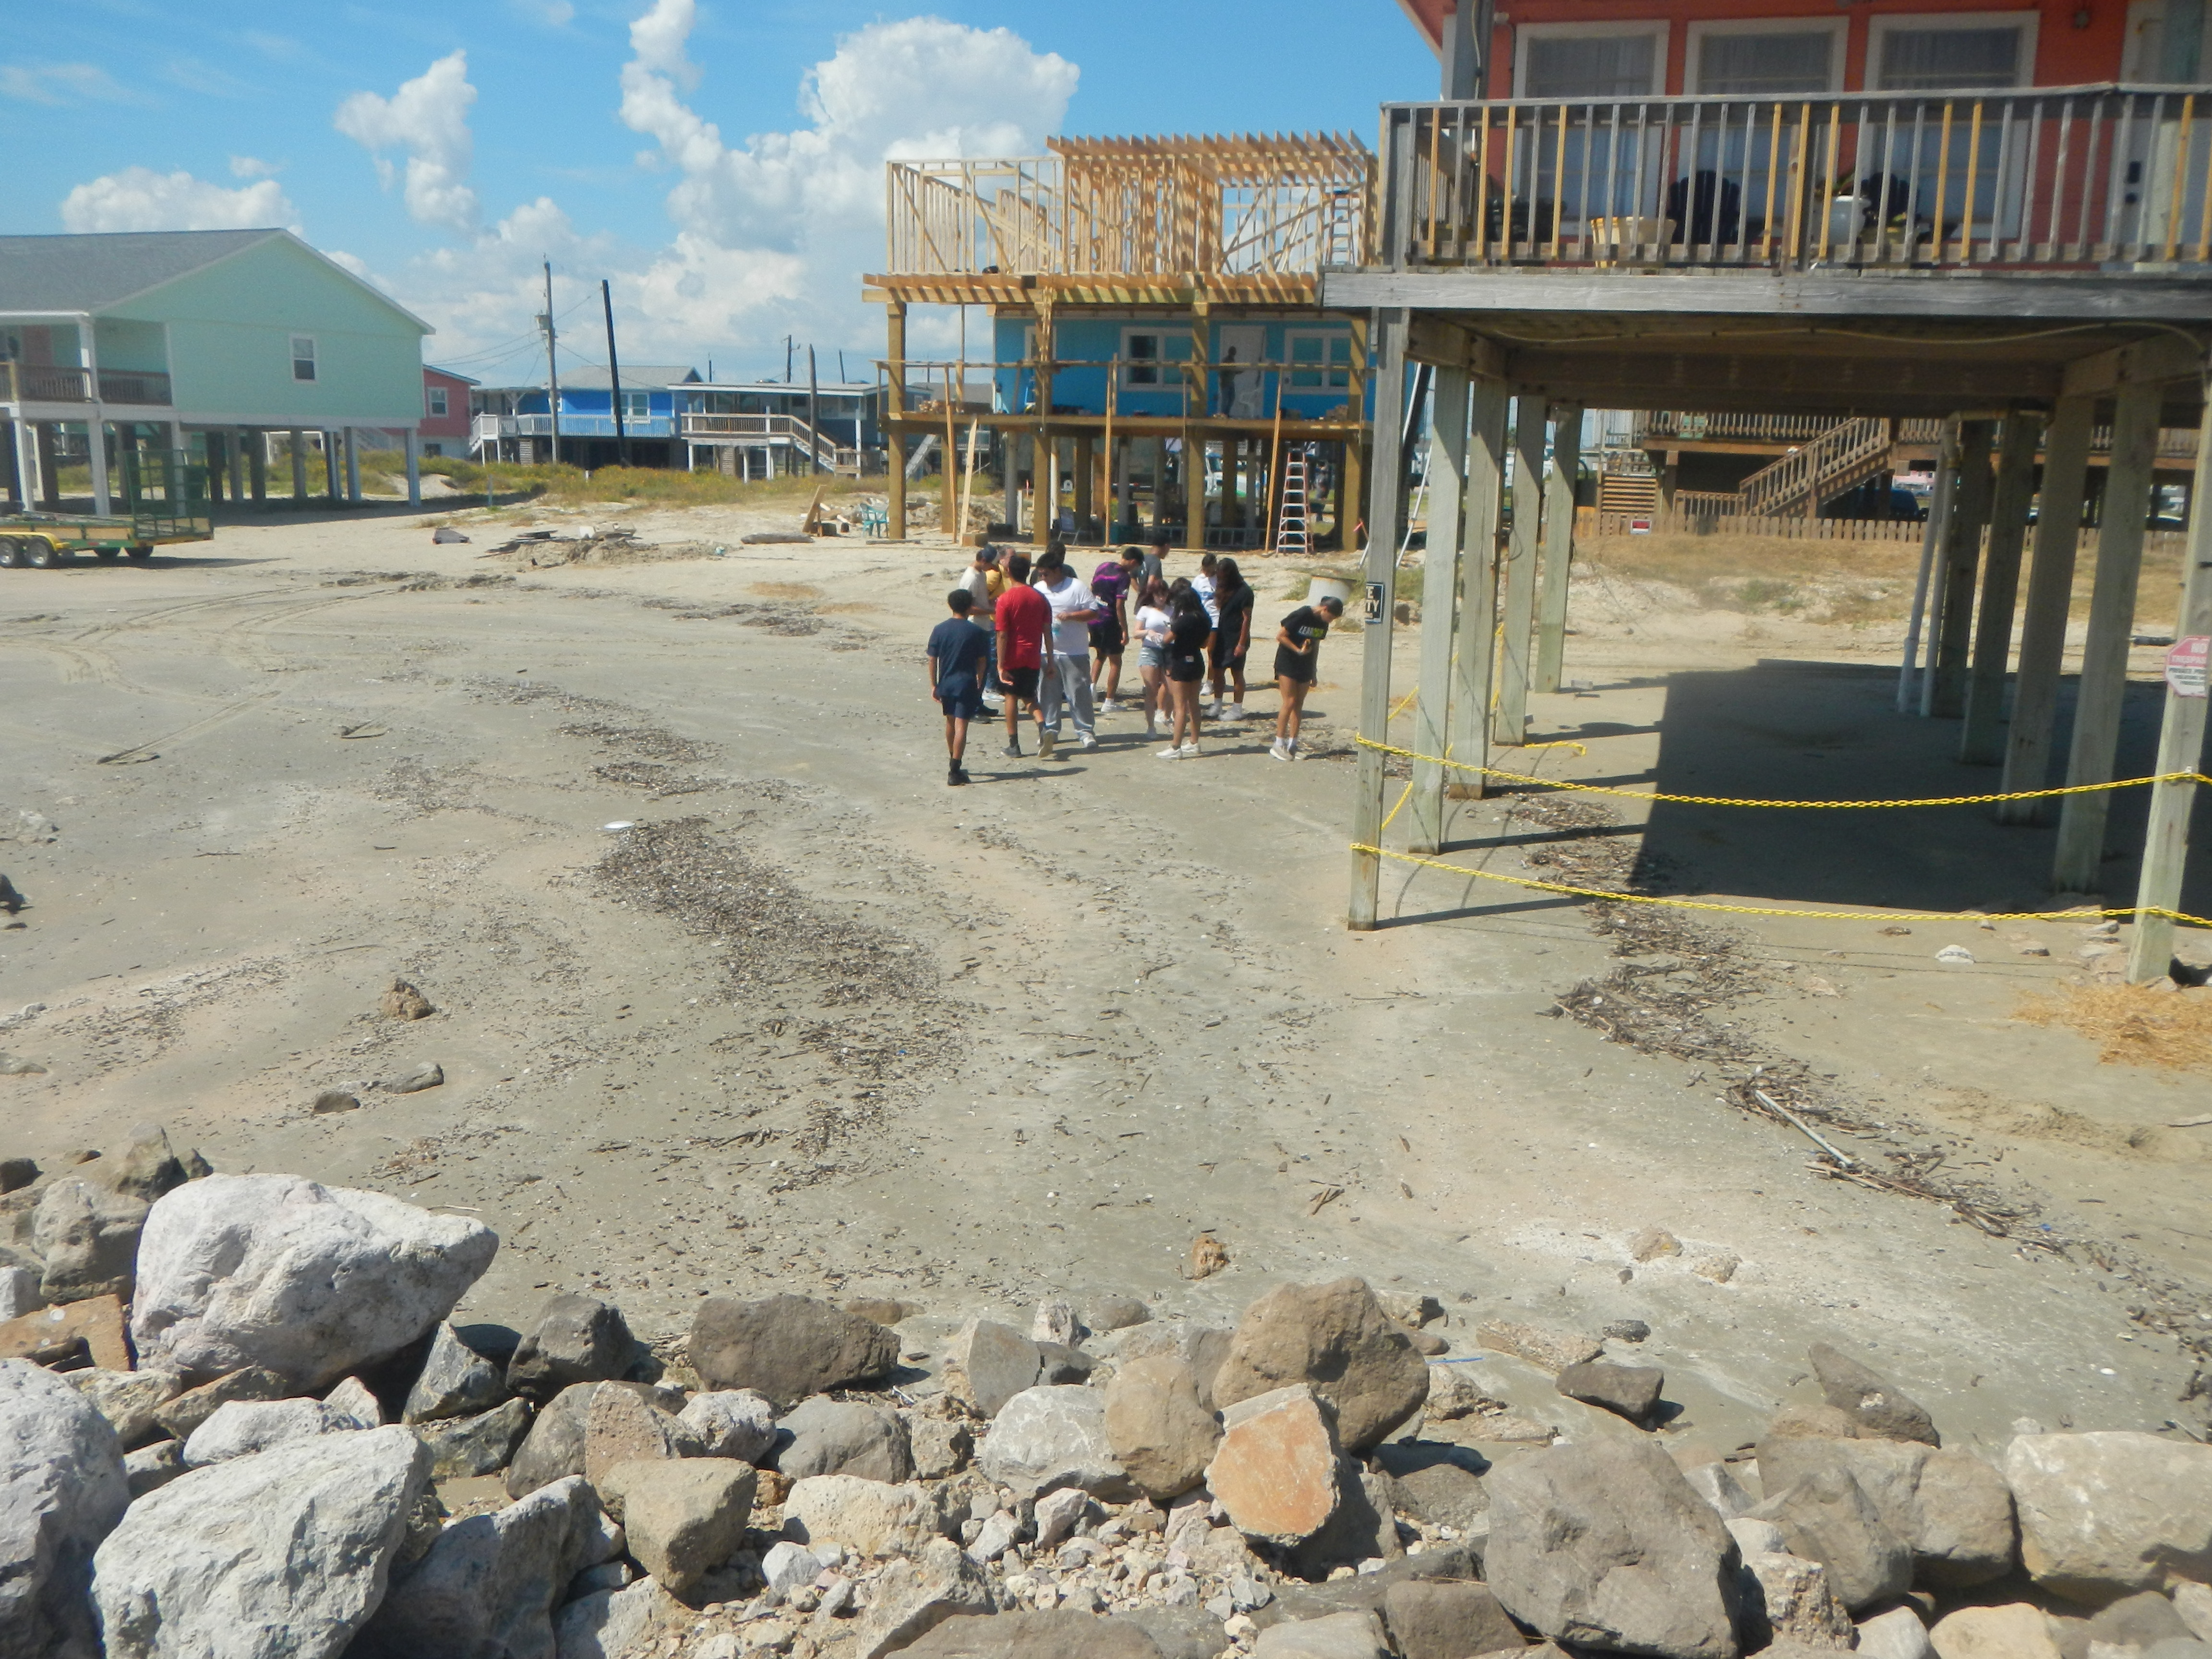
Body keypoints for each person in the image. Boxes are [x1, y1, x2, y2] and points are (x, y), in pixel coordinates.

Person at [1033, 544, 1101, 758]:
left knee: (1079, 692)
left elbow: (1094, 612)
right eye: (1040, 574)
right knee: (1048, 693)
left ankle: (1085, 731)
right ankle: (1050, 730)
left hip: (1074, 650)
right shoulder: (1039, 589)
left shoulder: (1076, 586)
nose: (1043, 577)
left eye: (1046, 574)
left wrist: (1071, 616)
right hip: (1047, 651)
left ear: (1057, 571)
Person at [927, 590, 990, 786]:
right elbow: (982, 661)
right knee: (962, 725)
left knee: (950, 722)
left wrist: (934, 684)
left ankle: (952, 758)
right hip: (965, 682)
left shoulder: (940, 629)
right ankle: (955, 769)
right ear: (970, 607)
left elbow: (932, 659)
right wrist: (981, 682)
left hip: (947, 682)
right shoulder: (976, 632)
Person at [1270, 592, 1342, 761]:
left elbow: (1315, 645)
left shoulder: (1323, 624)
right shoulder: (1303, 614)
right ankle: (1278, 744)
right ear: (1325, 609)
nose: (1330, 621)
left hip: (1306, 665)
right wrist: (1297, 650)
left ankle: (1293, 745)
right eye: (1331, 617)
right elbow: (1280, 636)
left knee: (1299, 705)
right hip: (1287, 661)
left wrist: (1314, 671)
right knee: (1289, 701)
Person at [994, 550, 1049, 758]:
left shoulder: (1005, 599)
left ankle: (1014, 744)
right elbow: (1047, 631)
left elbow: (1002, 634)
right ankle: (1043, 727)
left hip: (1012, 654)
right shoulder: (1040, 598)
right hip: (1033, 654)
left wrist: (1000, 664)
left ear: (1008, 572)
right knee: (1029, 696)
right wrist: (1050, 659)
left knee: (1011, 696)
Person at [1159, 579, 1215, 760]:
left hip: (1181, 661)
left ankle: (1176, 746)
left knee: (1180, 706)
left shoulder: (1184, 620)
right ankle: (1194, 742)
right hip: (1196, 661)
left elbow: (1166, 640)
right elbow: (1205, 643)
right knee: (1194, 704)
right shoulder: (1205, 618)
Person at [1089, 547, 1141, 712]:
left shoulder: (1103, 566)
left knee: (1100, 655)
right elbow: (1120, 605)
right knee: (1116, 661)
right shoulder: (1123, 577)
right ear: (1133, 562)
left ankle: (1091, 688)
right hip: (1110, 620)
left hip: (1095, 618)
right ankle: (1109, 701)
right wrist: (1124, 629)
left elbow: (1092, 589)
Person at [960, 546, 1006, 709]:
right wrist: (991, 610)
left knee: (984, 667)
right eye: (992, 565)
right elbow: (967, 608)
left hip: (984, 626)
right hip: (975, 627)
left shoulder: (980, 574)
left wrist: (992, 603)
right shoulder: (971, 578)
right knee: (976, 669)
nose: (994, 569)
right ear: (984, 561)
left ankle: (978, 703)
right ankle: (972, 706)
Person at [1207, 555, 1253, 720]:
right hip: (1221, 635)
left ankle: (1237, 709)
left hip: (1236, 637)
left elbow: (1246, 619)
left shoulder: (1245, 592)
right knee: (1217, 671)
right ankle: (1217, 704)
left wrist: (1241, 643)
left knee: (1237, 673)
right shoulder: (1223, 588)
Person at [1130, 575, 1173, 740]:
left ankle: (1165, 715)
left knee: (1170, 687)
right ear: (1153, 595)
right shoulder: (1146, 610)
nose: (1161, 598)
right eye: (1158, 595)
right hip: (1150, 650)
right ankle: (1150, 726)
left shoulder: (1172, 610)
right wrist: (1148, 632)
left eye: (1164, 595)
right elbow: (1136, 633)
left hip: (1168, 650)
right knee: (1151, 690)